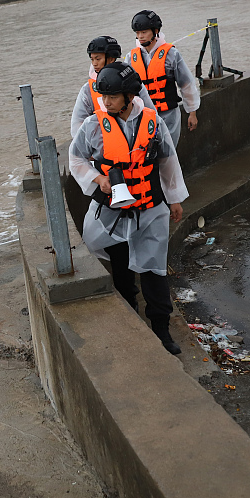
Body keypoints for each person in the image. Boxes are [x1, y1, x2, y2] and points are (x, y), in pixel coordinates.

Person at [69, 61, 189, 354]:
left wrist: (174, 198)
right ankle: (132, 316)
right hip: (112, 211)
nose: (105, 101)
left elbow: (168, 161)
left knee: (154, 270)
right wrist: (98, 178)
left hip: (149, 209)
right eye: (102, 95)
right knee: (121, 268)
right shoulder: (93, 125)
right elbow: (76, 159)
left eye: (112, 96)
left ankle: (162, 330)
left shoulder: (152, 121)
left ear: (129, 96)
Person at [127, 10, 200, 147]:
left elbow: (186, 84)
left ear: (155, 31)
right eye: (137, 33)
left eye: (144, 32)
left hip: (169, 114)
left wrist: (192, 112)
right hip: (143, 116)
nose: (140, 36)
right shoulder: (131, 58)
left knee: (168, 153)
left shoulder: (171, 54)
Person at [71, 36, 155, 138]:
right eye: (92, 59)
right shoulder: (87, 90)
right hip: (105, 145)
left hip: (136, 140)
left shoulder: (130, 80)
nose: (94, 64)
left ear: (111, 59)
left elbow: (150, 111)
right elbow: (77, 125)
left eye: (98, 59)